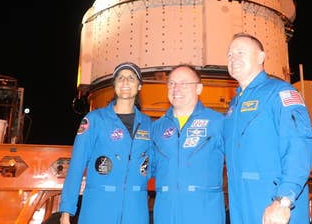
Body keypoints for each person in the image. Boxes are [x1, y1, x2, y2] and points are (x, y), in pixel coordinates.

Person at [224, 33, 312, 224]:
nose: (233, 58)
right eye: (230, 55)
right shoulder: (234, 105)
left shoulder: (281, 92)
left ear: (261, 57)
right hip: (242, 206)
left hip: (272, 205)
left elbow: (298, 147)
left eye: (241, 52)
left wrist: (283, 200)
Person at [59, 62, 153, 224]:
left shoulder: (149, 124)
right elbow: (77, 165)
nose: (125, 82)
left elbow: (154, 165)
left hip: (135, 210)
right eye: (120, 78)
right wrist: (66, 210)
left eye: (131, 78)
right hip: (98, 208)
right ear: (114, 85)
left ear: (139, 86)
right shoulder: (94, 120)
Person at [150, 64, 226, 223]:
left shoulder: (218, 122)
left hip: (204, 213)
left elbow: (240, 162)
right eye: (171, 83)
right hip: (166, 214)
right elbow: (144, 168)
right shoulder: (157, 127)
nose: (176, 88)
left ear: (199, 88)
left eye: (184, 83)